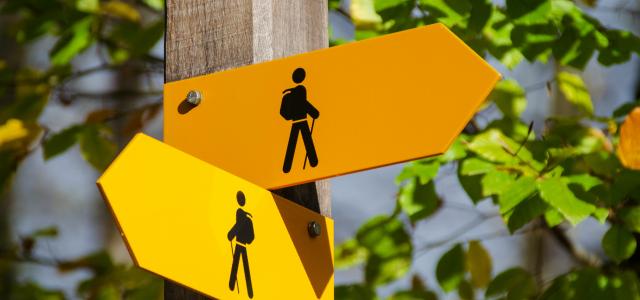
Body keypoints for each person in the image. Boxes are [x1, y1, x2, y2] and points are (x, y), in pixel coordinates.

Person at [280, 67, 320, 173]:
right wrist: (315, 113)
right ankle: (313, 162)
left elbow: (283, 112)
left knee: (293, 143)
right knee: (307, 141)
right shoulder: (301, 91)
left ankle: (287, 167)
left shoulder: (289, 93)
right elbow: (304, 104)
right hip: (303, 121)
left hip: (295, 122)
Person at [227, 191, 254, 298]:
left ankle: (233, 285)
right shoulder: (245, 216)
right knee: (240, 265)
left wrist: (230, 235)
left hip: (240, 244)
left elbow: (238, 226)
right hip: (242, 244)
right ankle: (236, 286)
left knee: (237, 264)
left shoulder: (242, 216)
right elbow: (251, 236)